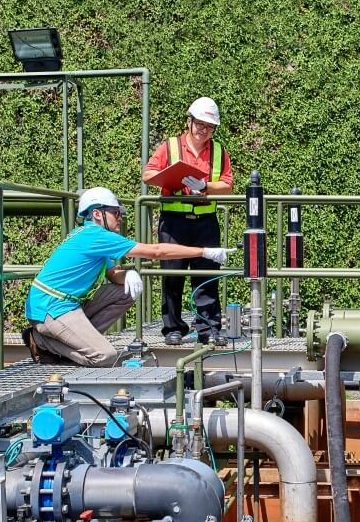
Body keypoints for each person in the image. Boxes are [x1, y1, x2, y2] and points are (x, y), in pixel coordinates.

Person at [22, 187, 232, 367]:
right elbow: (157, 251)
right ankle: (41, 340)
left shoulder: (93, 236)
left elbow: (113, 275)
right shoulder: (95, 235)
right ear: (97, 214)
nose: (120, 217)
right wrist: (203, 251)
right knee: (104, 356)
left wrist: (129, 273)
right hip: (50, 308)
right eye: (115, 212)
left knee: (126, 292)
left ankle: (75, 340)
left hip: (66, 305)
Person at [142, 96, 234, 344]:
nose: (204, 130)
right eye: (200, 124)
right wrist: (171, 180)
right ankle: (173, 328)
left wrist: (205, 185)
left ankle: (209, 328)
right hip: (174, 221)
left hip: (206, 221)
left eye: (209, 126)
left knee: (207, 275)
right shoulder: (169, 147)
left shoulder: (219, 152)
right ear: (189, 121)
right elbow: (148, 175)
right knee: (172, 275)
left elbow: (227, 185)